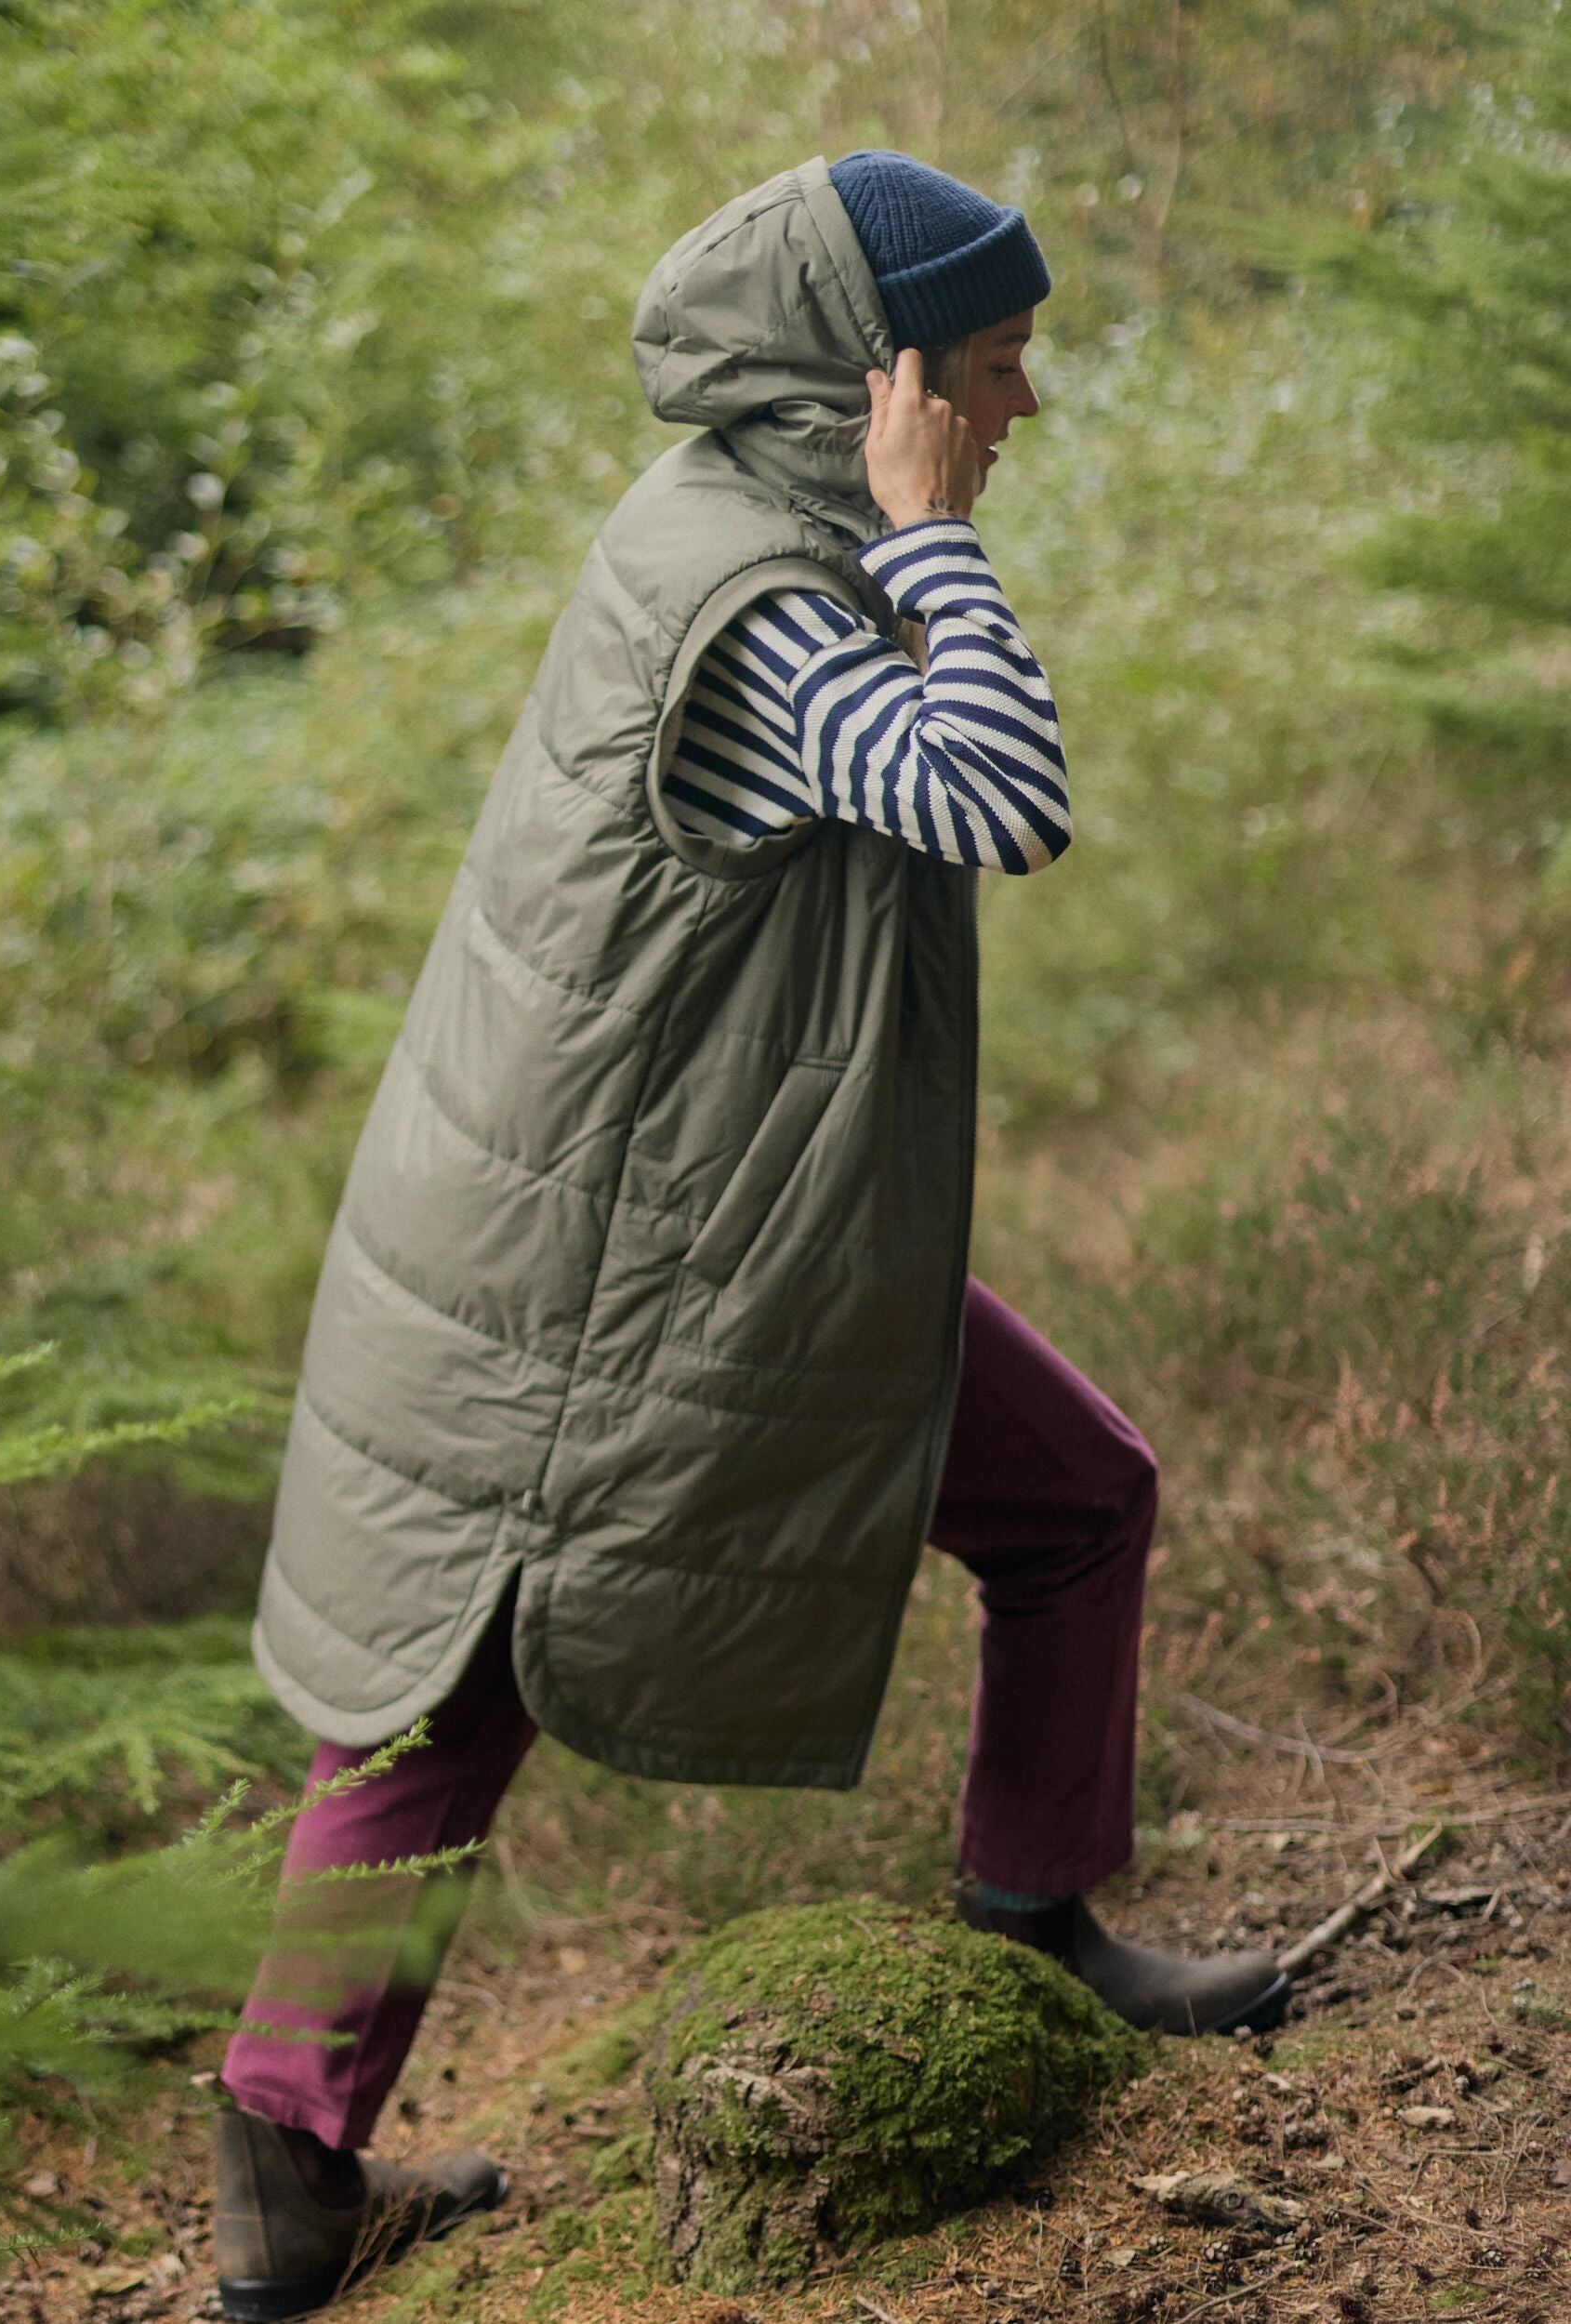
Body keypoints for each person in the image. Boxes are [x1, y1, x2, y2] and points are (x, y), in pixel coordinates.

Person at [210, 150, 1290, 2322]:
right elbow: (1000, 795)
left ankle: (1031, 1921)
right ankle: (282, 2170)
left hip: (692, 1227)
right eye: (997, 364)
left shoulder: (734, 515)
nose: (1023, 405)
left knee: (1076, 1495)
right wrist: (932, 536)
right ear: (881, 377)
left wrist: (905, 526)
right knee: (449, 1689)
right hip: (610, 1273)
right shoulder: (766, 602)